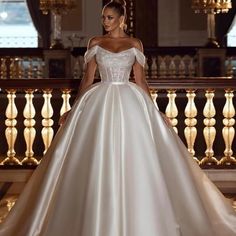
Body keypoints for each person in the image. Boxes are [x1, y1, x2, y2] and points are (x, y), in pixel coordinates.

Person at [0, 0, 236, 235]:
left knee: (134, 153)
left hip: (129, 99)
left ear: (121, 19)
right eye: (103, 17)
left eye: (110, 17)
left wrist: (155, 111)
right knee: (96, 152)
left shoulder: (135, 44)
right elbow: (87, 78)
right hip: (99, 100)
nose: (105, 22)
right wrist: (74, 108)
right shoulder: (95, 42)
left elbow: (141, 80)